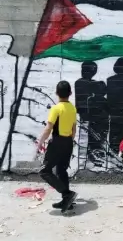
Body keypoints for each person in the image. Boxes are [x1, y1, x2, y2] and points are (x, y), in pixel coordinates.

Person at [38, 81, 77, 213]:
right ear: (70, 93)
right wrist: (68, 142)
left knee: (44, 171)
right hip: (68, 142)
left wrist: (40, 142)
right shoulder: (72, 108)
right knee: (61, 170)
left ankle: (67, 194)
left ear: (56, 93)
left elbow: (49, 128)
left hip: (57, 142)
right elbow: (74, 129)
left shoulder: (56, 108)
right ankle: (68, 202)